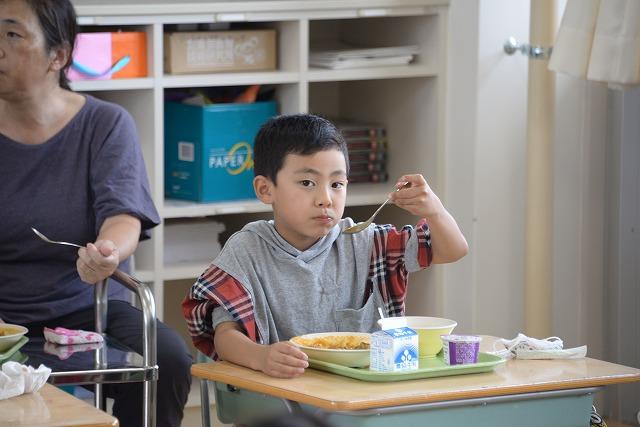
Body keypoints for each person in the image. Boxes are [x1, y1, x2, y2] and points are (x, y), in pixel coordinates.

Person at [0, 1, 191, 426]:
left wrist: (106, 251)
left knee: (170, 358)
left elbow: (123, 214)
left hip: (86, 305)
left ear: (59, 55)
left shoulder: (105, 124)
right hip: (1, 313)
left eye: (12, 34)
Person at [183, 113, 468, 378]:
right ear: (265, 189)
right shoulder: (247, 250)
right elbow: (224, 333)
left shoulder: (365, 241)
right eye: (307, 182)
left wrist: (435, 212)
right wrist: (261, 357)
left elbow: (452, 250)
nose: (326, 199)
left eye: (337, 184)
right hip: (284, 401)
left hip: (364, 395)